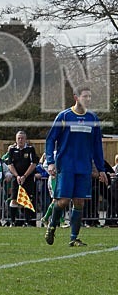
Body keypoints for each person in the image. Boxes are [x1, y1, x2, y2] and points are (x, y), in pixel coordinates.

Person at [44, 86, 108, 246]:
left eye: (89, 97)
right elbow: (50, 139)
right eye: (85, 96)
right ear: (76, 97)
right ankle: (52, 226)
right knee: (64, 201)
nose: (88, 99)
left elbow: (97, 146)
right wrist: (50, 162)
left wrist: (101, 169)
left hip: (84, 166)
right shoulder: (64, 116)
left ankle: (73, 238)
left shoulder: (93, 118)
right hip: (66, 165)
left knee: (79, 201)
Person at [5, 131, 40, 227]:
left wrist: (25, 176)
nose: (20, 140)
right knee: (14, 199)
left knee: (27, 199)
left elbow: (33, 164)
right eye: (18, 138)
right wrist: (17, 176)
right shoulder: (12, 150)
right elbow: (10, 164)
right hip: (16, 178)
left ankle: (27, 222)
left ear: (25, 139)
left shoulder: (30, 149)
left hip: (28, 178)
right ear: (16, 139)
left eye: (22, 138)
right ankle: (12, 222)